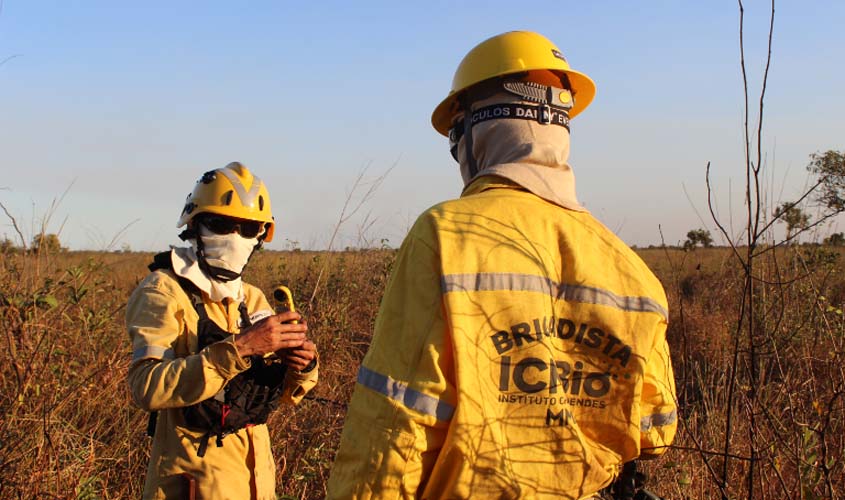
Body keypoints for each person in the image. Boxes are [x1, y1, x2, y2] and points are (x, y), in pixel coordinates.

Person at [327, 31, 677, 499]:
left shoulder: (446, 235)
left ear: (478, 132)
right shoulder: (632, 271)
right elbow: (655, 428)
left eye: (455, 137)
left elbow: (397, 424)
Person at [126, 162, 318, 500]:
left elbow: (280, 394)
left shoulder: (252, 297)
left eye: (247, 228)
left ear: (261, 235)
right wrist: (241, 348)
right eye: (221, 224)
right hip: (192, 486)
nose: (234, 237)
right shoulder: (163, 291)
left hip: (256, 484)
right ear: (194, 225)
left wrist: (303, 366)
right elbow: (147, 388)